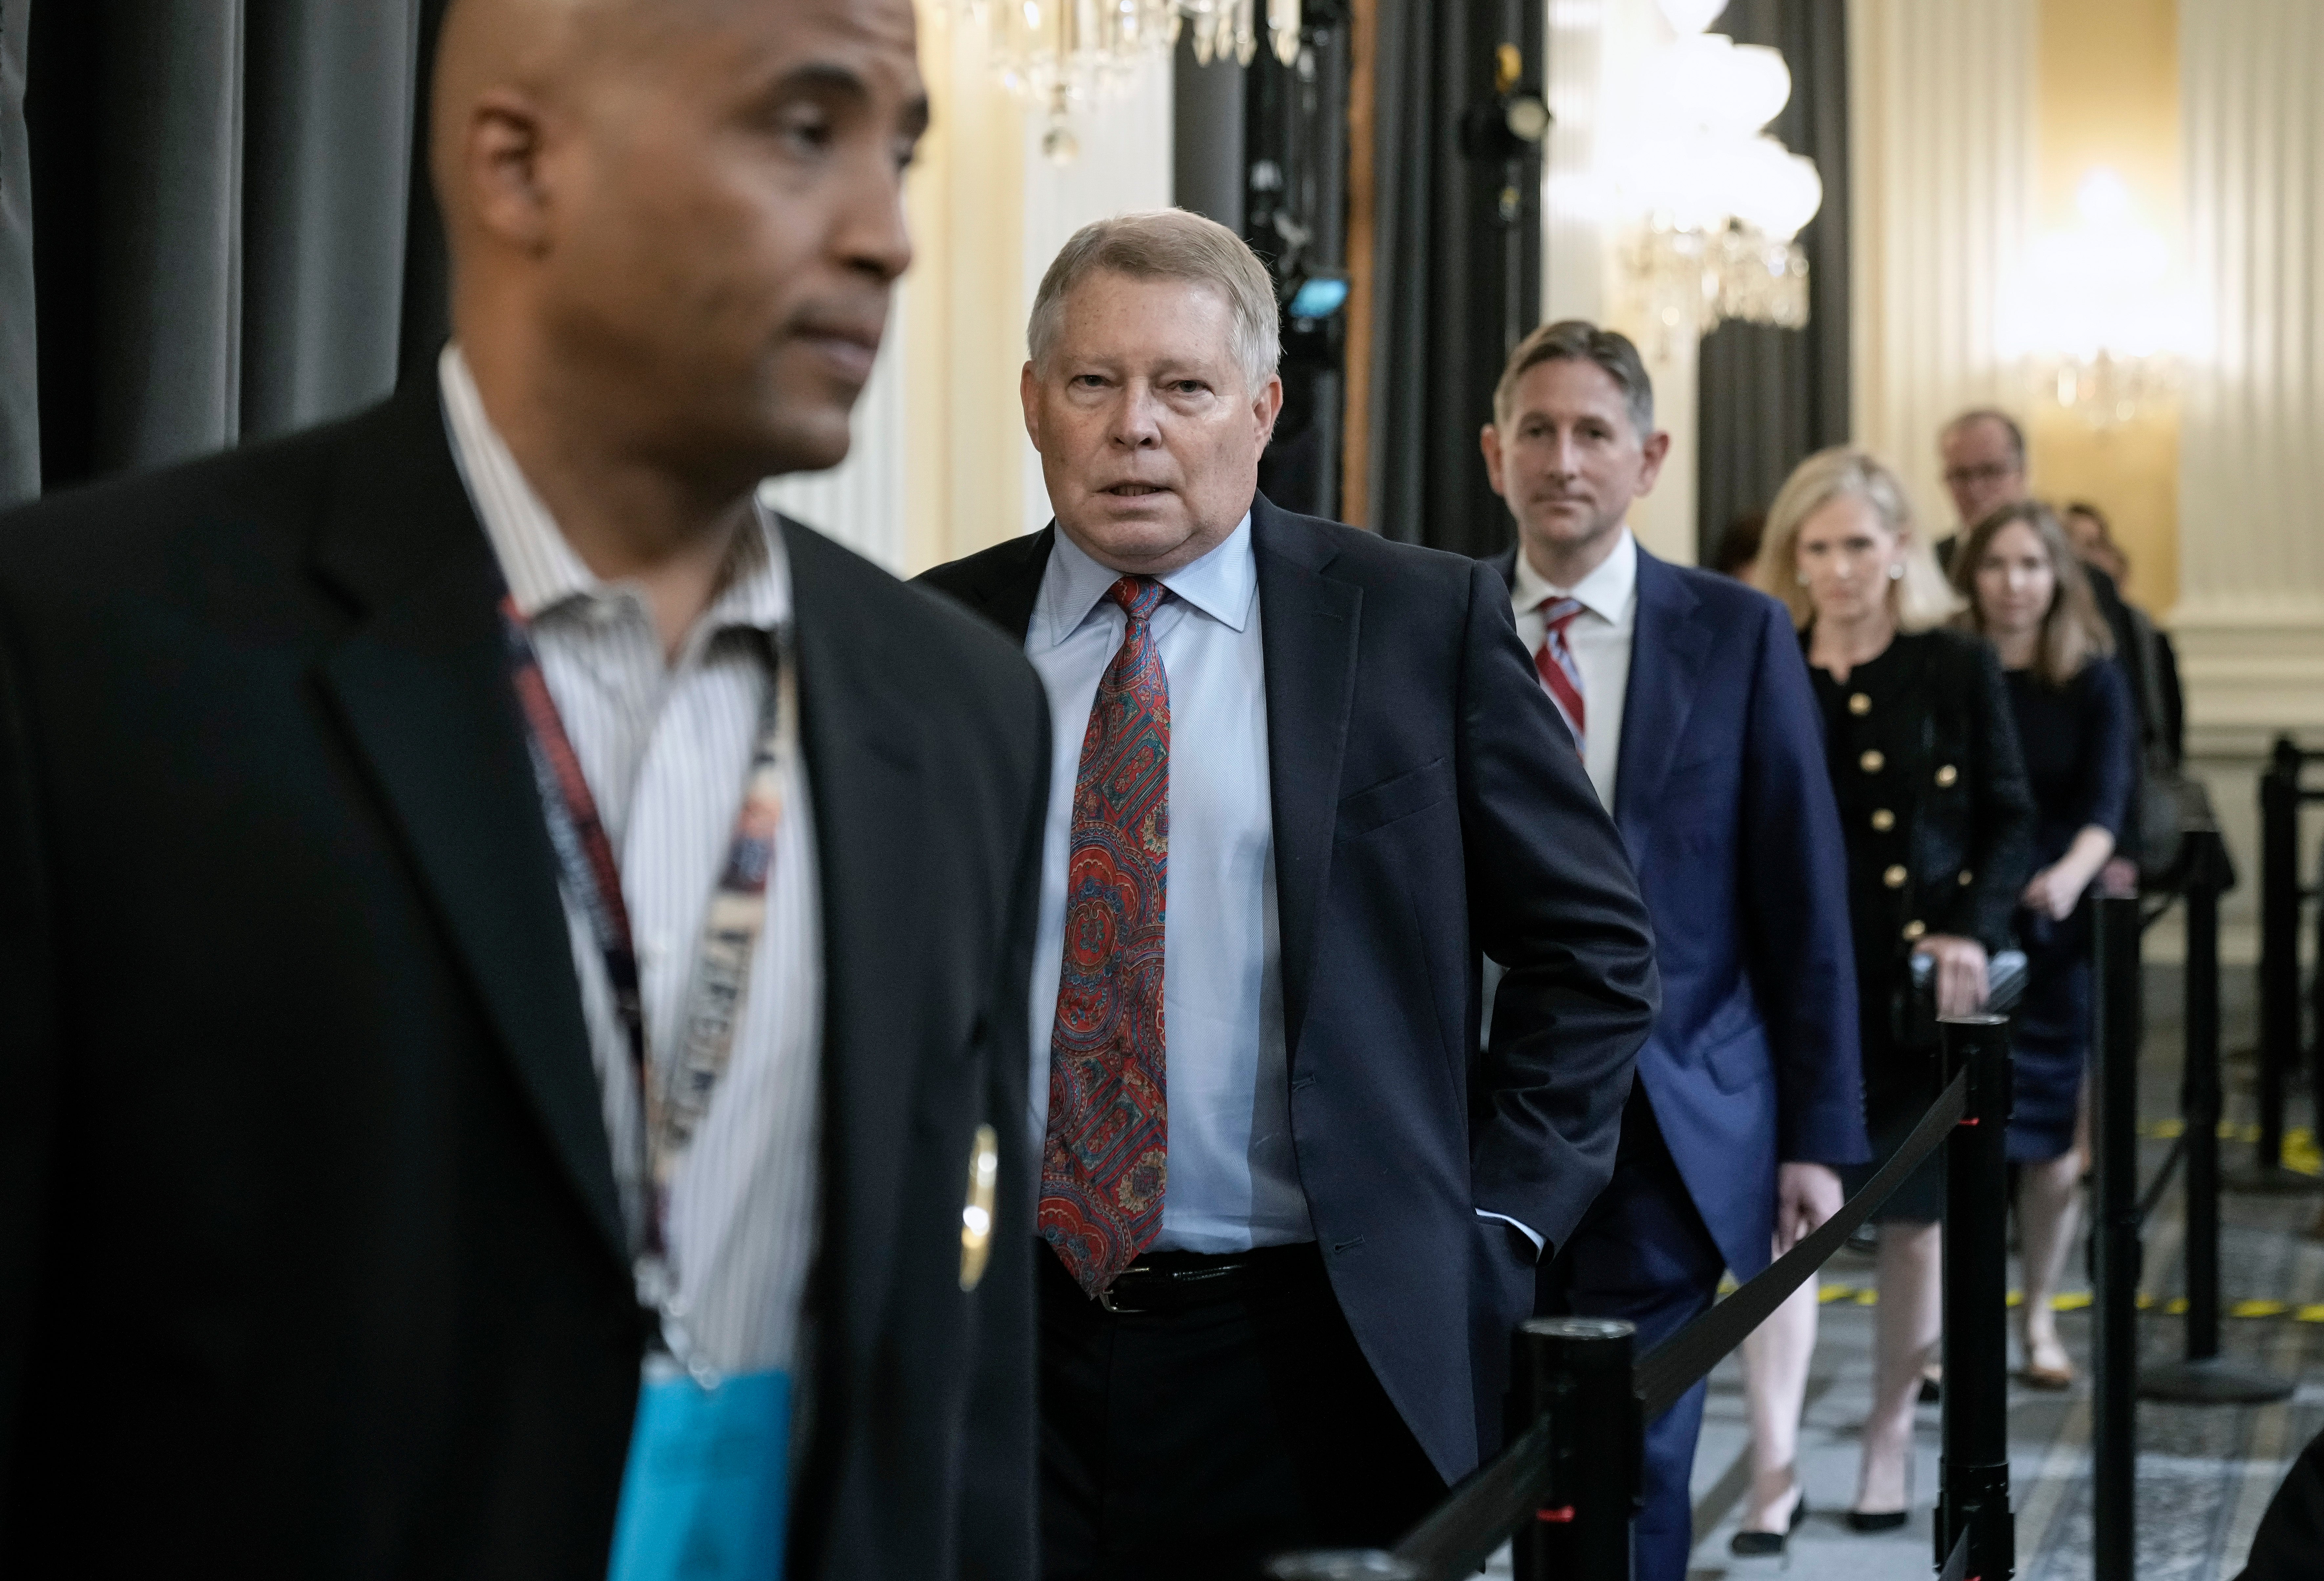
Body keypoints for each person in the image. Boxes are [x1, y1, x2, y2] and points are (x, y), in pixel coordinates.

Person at [0, 1, 1051, 1576]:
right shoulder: (94, 650)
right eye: (802, 130)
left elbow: (954, 1411)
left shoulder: (962, 709)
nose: (886, 235)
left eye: (899, 154)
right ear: (518, 163)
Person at [919, 212, 1660, 1580]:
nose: (1134, 427)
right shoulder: (926, 643)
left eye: (1183, 388)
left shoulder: (1412, 624)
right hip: (991, 1343)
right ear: (1034, 404)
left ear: (1260, 412)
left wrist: (1496, 1224)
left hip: (1312, 1348)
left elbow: (1593, 952)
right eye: (1092, 383)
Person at [1475, 321, 1868, 1578]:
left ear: (1649, 458)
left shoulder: (1738, 635)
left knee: (1635, 1453)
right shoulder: (1443, 627)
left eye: (1593, 432)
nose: (1563, 460)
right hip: (1480, 1113)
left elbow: (1801, 901)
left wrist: (1818, 1135)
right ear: (1493, 455)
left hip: (1673, 1113)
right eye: (1536, 430)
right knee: (1504, 1449)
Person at [1743, 446, 2035, 1530]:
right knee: (1787, 1225)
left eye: (1858, 544)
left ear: (1900, 550)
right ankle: (1772, 1468)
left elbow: (2008, 813)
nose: (1837, 569)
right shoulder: (1766, 658)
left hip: (1915, 994)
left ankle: (1886, 1440)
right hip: (1796, 991)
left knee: (1916, 1229)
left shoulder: (1952, 665)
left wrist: (1973, 924)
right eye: (1815, 548)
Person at [1952, 502, 2134, 1388]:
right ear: (1972, 577)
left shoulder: (2091, 676)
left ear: (2056, 577)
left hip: (2055, 927)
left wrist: (2068, 875)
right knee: (1958, 1135)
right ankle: (1956, 1328)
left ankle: (2037, 1322)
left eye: (2030, 565)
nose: (2013, 583)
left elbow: (2108, 804)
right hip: (1966, 923)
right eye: (1996, 565)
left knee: (2053, 1142)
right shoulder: (1952, 665)